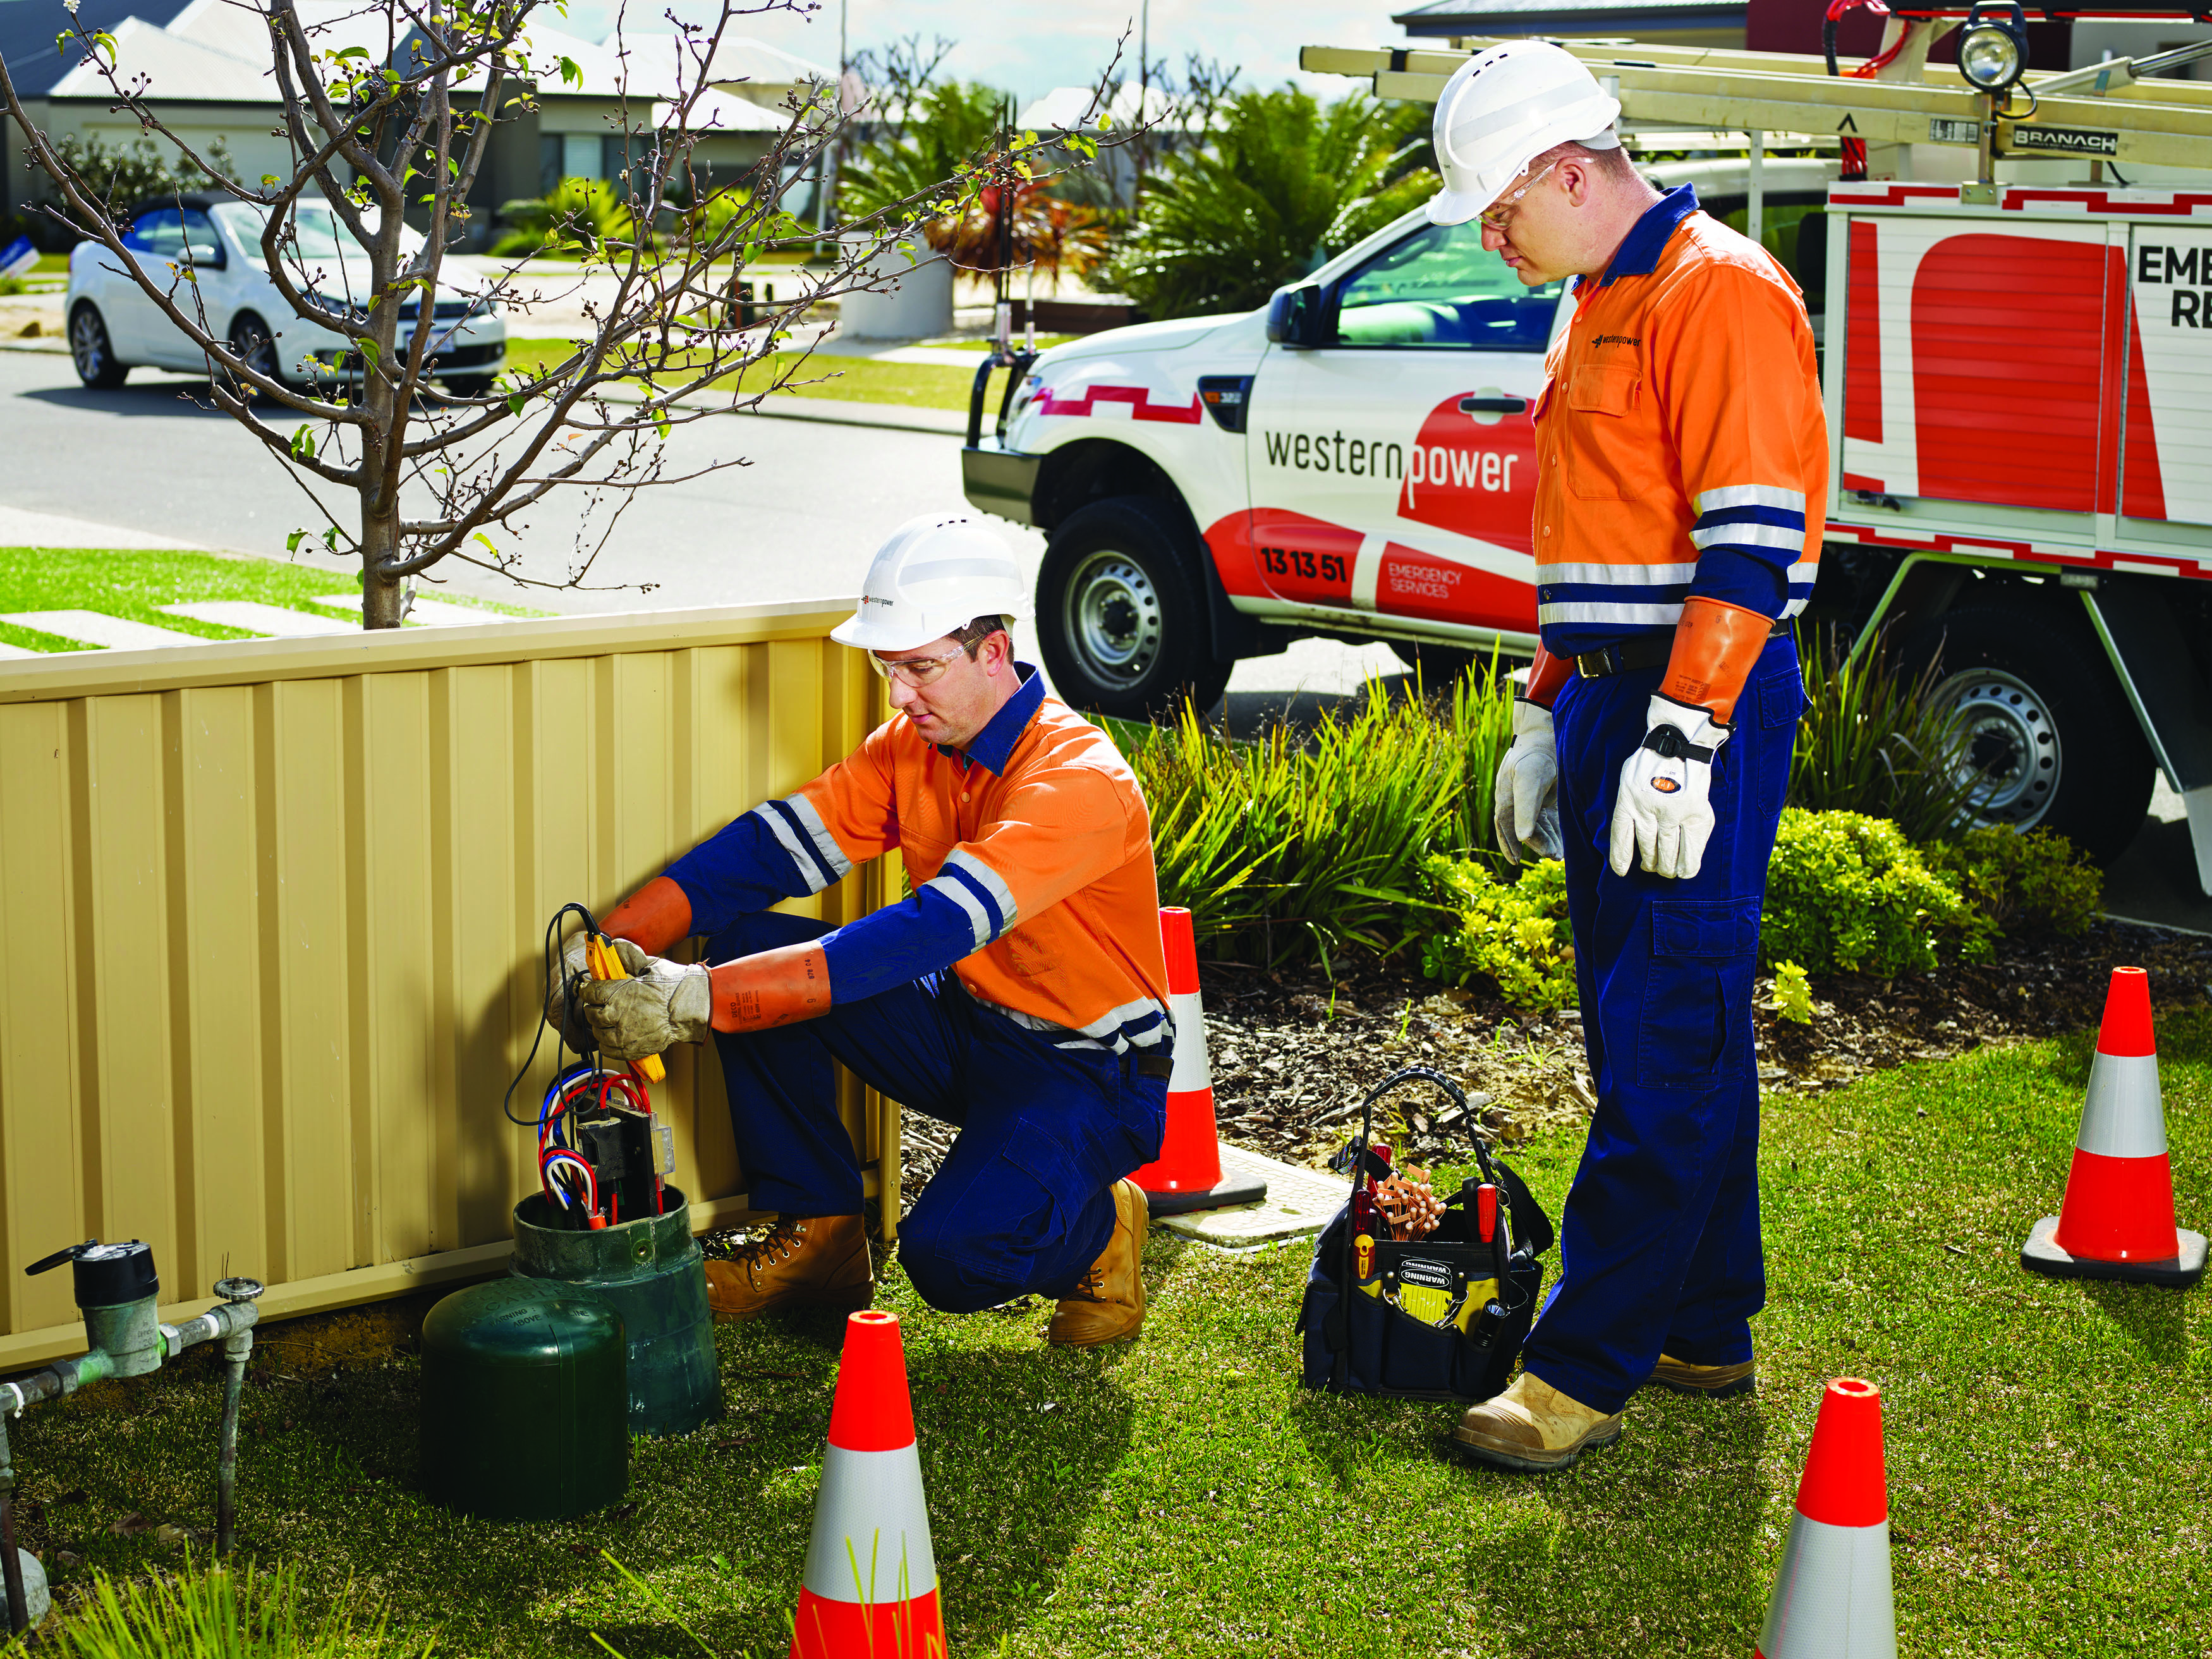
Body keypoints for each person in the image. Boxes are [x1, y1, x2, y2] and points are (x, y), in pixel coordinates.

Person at [1426, 41, 1825, 1471]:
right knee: (1651, 1018)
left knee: (1667, 1024)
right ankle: (1705, 1323)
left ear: (1570, 170)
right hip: (1616, 696)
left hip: (1692, 702)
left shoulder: (1716, 289)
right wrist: (1548, 701)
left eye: (1495, 205)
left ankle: (1579, 1366)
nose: (1489, 232)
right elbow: (1592, 538)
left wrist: (1686, 727)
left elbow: (1750, 540)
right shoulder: (1598, 297)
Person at [559, 515, 1173, 1346]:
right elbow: (767, 851)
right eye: (888, 668)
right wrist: (609, 948)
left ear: (994, 651)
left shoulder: (1078, 782)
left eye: (920, 667)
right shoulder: (914, 747)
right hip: (971, 1025)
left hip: (1086, 1070)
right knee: (745, 943)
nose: (897, 694)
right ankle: (823, 1236)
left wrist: (693, 999)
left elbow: (924, 932)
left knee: (950, 1257)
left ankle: (1100, 1230)